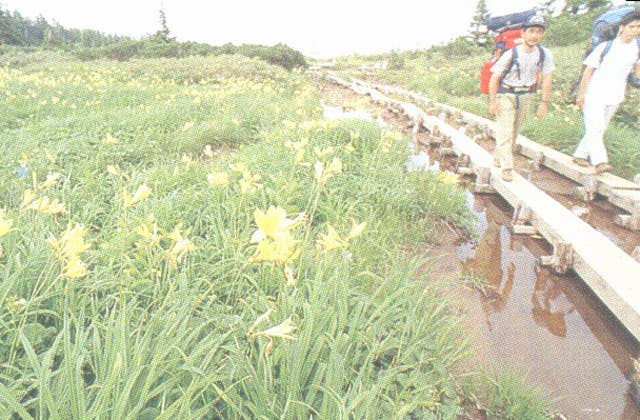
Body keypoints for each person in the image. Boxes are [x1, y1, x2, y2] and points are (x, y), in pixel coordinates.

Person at [572, 10, 640, 174]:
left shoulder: (636, 48)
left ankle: (580, 154)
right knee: (595, 127)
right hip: (594, 93)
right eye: (632, 26)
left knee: (600, 128)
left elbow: (637, 67)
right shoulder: (605, 47)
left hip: (615, 95)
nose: (636, 30)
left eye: (638, 27)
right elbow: (588, 71)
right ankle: (600, 161)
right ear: (622, 27)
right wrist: (581, 94)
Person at [488, 15, 554, 182]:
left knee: (514, 132)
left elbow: (547, 78)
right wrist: (493, 102)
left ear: (543, 35)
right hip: (506, 94)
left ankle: (498, 158)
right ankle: (507, 168)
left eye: (539, 31)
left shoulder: (545, 54)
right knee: (505, 131)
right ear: (523, 34)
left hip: (525, 95)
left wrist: (544, 103)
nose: (534, 35)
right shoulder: (511, 53)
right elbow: (494, 78)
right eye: (531, 31)